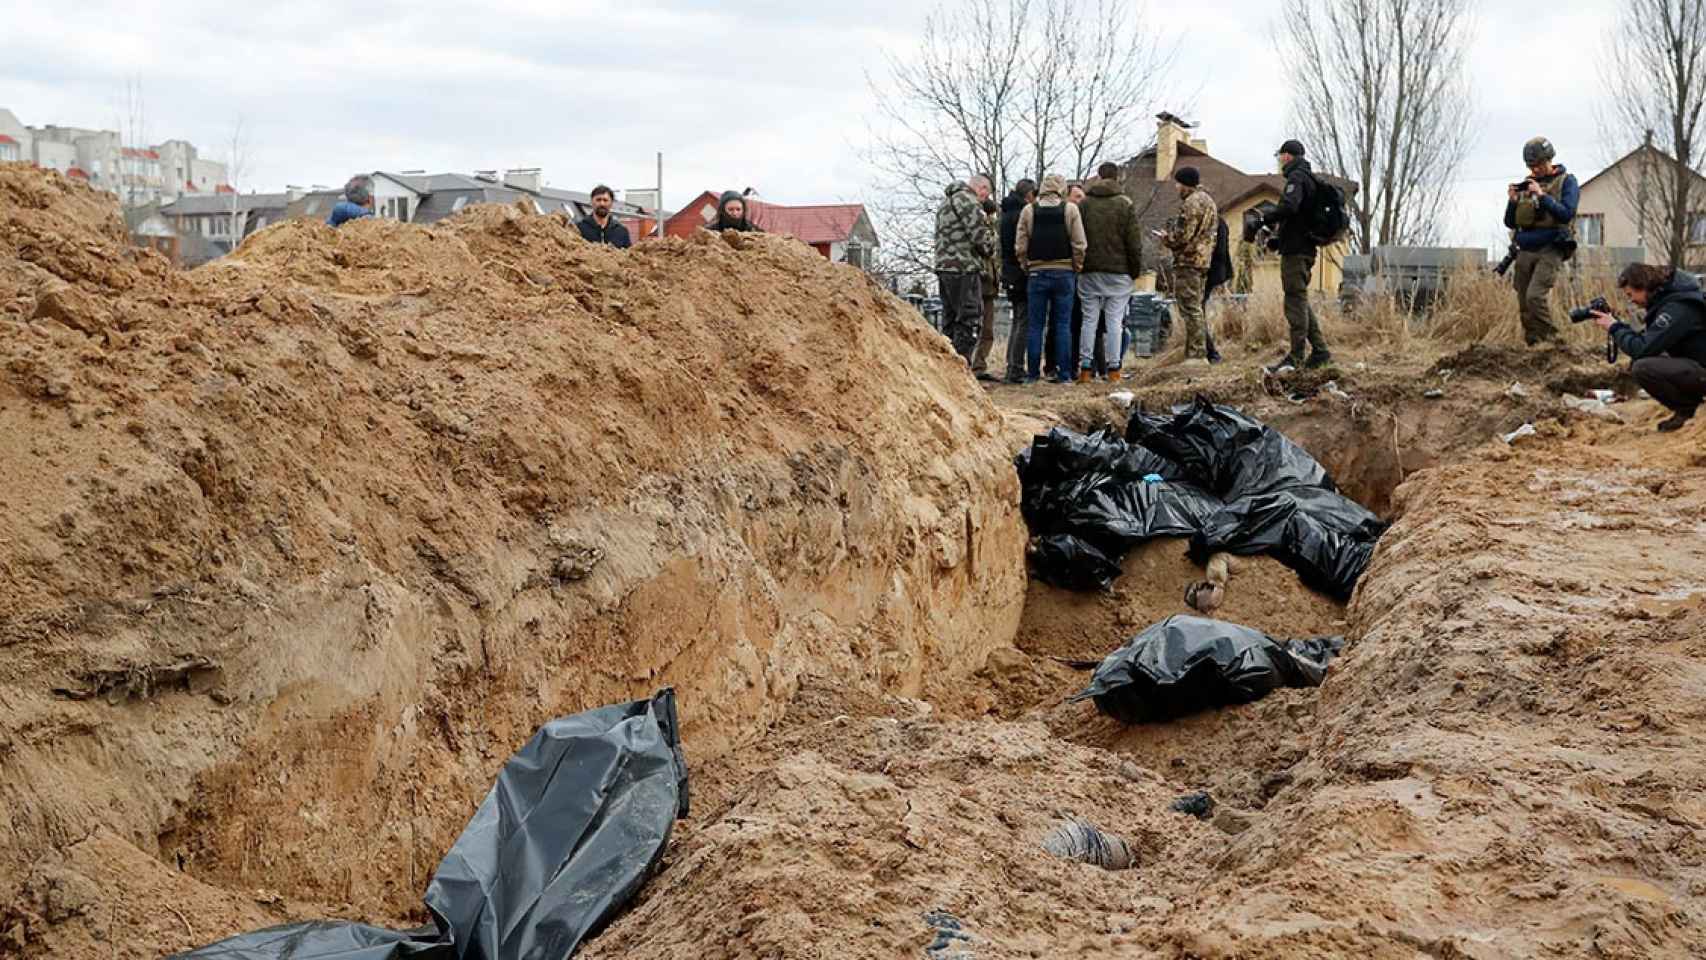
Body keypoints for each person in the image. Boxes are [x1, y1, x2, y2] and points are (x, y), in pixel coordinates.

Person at [1592, 263, 1706, 432]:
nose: (1631, 300)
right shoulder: (1672, 300)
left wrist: (1614, 328)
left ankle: (1688, 411)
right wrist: (1618, 326)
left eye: (1631, 294)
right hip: (1698, 362)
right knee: (1642, 361)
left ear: (1644, 286)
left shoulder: (1678, 307)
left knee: (1643, 367)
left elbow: (1642, 348)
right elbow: (1649, 340)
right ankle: (1690, 407)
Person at [1262, 139, 1333, 374]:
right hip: (1303, 247)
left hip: (1297, 250)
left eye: (1280, 156)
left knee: (1294, 301)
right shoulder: (1309, 178)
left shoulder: (1297, 178)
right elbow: (1298, 218)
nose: (1279, 160)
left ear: (1287, 156)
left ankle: (1296, 357)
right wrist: (1278, 240)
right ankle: (1321, 352)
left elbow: (1290, 208)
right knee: (1300, 300)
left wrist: (1265, 217)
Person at [1504, 137, 1580, 346]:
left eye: (1538, 165)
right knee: (1524, 304)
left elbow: (1566, 214)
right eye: (1530, 166)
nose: (1534, 169)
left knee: (1535, 297)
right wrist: (1512, 202)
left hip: (1551, 247)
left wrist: (1542, 196)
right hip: (1525, 248)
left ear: (1549, 159)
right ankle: (1535, 346)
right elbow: (1510, 222)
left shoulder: (1566, 181)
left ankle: (1556, 343)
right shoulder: (1527, 185)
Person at [1017, 173, 1087, 383]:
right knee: (1063, 324)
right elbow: (1079, 244)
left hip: (1037, 272)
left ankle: (1032, 375)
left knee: (1035, 325)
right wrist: (1076, 266)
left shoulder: (1029, 210)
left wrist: (1026, 266)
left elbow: (1020, 244)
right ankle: (1064, 374)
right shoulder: (1070, 209)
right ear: (1062, 189)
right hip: (1064, 272)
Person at [1076, 162, 1143, 382]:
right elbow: (1133, 242)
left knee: (1089, 320)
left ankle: (1085, 368)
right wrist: (1134, 270)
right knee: (1115, 321)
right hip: (1119, 271)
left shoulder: (1084, 204)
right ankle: (1114, 369)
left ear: (1098, 176)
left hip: (1090, 269)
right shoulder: (1125, 204)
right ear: (1118, 177)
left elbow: (1077, 237)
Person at [935, 174, 997, 366]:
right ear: (983, 188)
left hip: (944, 268)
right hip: (964, 268)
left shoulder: (946, 203)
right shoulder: (970, 203)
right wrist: (992, 229)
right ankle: (962, 366)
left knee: (950, 321)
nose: (986, 198)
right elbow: (984, 243)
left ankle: (947, 366)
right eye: (987, 194)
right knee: (970, 319)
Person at [1158, 166, 1217, 365]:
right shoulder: (1208, 201)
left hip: (1188, 260)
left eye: (1178, 183)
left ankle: (1196, 355)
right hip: (1203, 260)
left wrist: (1167, 239)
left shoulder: (1191, 203)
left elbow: (1184, 235)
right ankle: (1197, 352)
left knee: (1190, 308)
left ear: (1185, 184)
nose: (1176, 187)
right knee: (1196, 307)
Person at [999, 179, 1038, 384]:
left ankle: (1011, 365)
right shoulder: (1022, 214)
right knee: (1024, 320)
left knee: (1018, 320)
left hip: (1009, 272)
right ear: (1029, 194)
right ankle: (1015, 367)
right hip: (1020, 273)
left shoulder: (1006, 213)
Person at [970, 195, 1002, 381]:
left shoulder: (993, 230)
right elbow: (986, 250)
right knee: (974, 326)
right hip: (976, 281)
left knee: (987, 329)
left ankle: (979, 365)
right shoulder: (977, 229)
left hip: (989, 284)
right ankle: (969, 363)